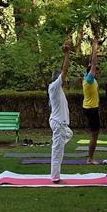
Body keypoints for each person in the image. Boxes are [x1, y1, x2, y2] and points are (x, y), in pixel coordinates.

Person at [48, 40, 73, 183]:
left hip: (60, 124)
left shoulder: (57, 89)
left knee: (69, 134)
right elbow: (64, 70)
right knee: (57, 151)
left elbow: (63, 73)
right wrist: (67, 54)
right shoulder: (54, 87)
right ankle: (55, 177)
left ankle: (57, 142)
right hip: (58, 124)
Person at [82, 36, 101, 164]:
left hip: (89, 108)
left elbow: (91, 63)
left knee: (94, 133)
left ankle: (90, 157)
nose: (96, 71)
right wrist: (94, 48)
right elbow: (93, 63)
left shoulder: (87, 77)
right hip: (91, 109)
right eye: (94, 70)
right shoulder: (89, 80)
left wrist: (92, 48)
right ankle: (90, 159)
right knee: (94, 134)